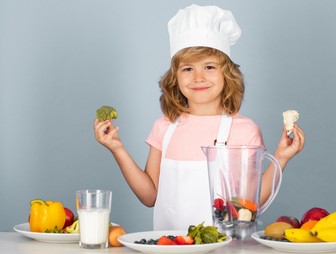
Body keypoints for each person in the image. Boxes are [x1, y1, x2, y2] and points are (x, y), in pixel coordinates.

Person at [94, 4, 304, 230]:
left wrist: (281, 157)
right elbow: (149, 197)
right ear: (175, 77)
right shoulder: (164, 126)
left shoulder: (245, 130)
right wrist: (117, 149)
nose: (198, 77)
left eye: (210, 67)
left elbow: (249, 205)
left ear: (227, 74)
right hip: (172, 252)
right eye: (187, 69)